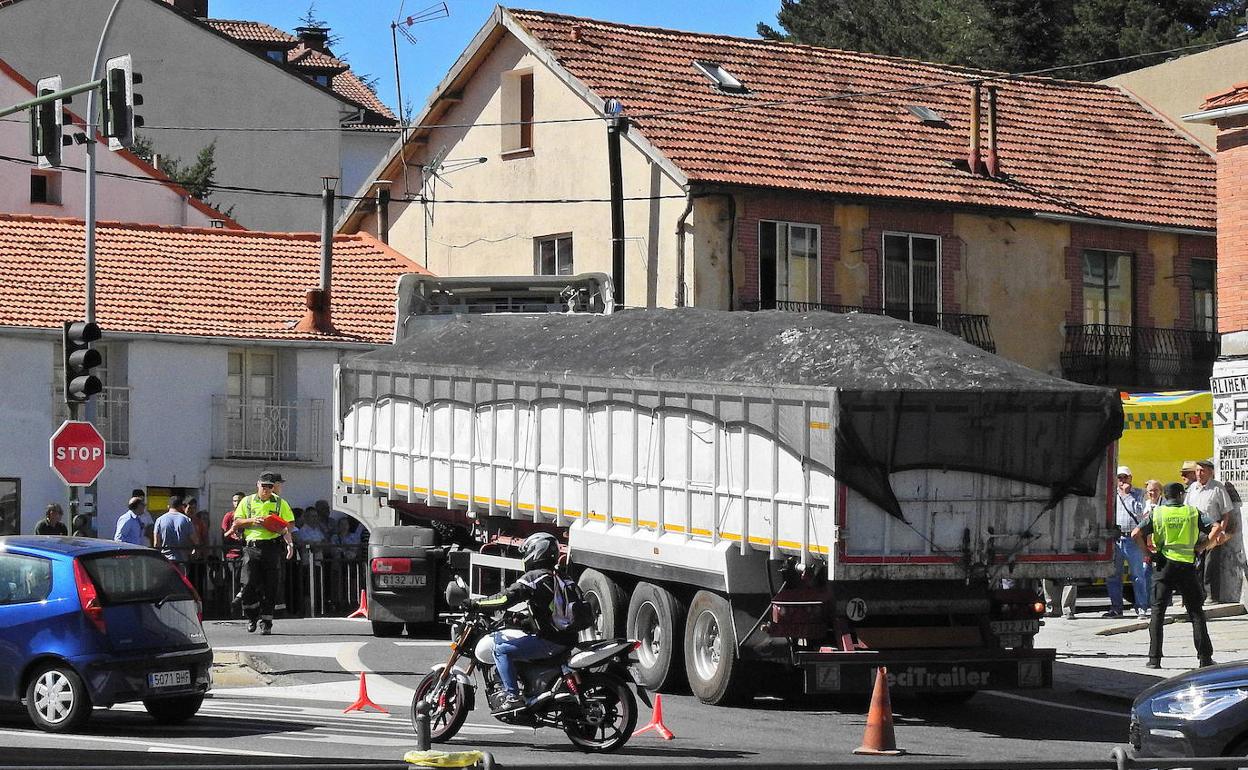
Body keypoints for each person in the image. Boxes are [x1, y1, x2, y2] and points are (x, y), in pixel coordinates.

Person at [465, 532, 578, 713]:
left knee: (501, 650)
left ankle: (512, 697)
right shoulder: (562, 577)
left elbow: (504, 599)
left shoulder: (535, 577)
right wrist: (525, 621)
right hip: (568, 637)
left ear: (536, 551)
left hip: (551, 640)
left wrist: (476, 604)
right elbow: (551, 610)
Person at [1133, 481, 1228, 669]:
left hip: (1163, 565)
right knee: (1196, 613)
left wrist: (1147, 553)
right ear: (1181, 495)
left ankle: (1154, 659)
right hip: (1186, 566)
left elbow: (1136, 533)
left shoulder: (1157, 513)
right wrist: (1201, 547)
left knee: (1158, 613)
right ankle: (1205, 658)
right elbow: (1216, 528)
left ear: (1166, 496)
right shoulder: (1191, 512)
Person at [230, 472, 295, 635]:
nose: (266, 489)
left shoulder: (280, 503)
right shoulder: (247, 501)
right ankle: (252, 616)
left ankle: (266, 621)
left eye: (270, 486)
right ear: (257, 485)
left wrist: (289, 543)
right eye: (263, 486)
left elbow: (287, 526)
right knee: (249, 582)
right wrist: (253, 521)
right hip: (252, 548)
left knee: (271, 585)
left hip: (271, 547)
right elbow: (237, 522)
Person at [1185, 459, 1234, 603]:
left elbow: (1226, 513)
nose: (1199, 474)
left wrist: (1222, 532)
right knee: (1195, 565)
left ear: (1210, 472)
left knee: (1210, 564)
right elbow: (1186, 508)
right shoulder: (1192, 488)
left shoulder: (1217, 488)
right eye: (1197, 471)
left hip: (1213, 530)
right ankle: (1197, 594)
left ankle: (1212, 595)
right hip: (1194, 531)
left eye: (1202, 471)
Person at [1105, 465, 1150, 619]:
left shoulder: (1139, 494)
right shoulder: (1111, 495)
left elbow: (1142, 514)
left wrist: (1128, 494)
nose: (1122, 480)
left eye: (1125, 477)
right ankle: (1116, 608)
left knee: (1138, 574)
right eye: (1120, 478)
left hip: (1133, 539)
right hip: (1116, 539)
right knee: (1113, 575)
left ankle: (1142, 607)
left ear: (1131, 478)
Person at [153, 495, 198, 573]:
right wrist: (194, 552)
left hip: (166, 560)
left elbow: (156, 544)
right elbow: (195, 541)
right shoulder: (186, 520)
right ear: (181, 506)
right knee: (181, 583)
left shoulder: (159, 520)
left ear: (168, 506)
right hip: (182, 560)